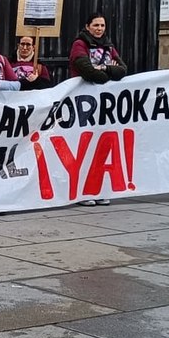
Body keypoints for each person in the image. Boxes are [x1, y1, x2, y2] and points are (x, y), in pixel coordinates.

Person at [67, 16, 126, 206]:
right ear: (87, 26)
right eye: (95, 25)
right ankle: (82, 192)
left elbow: (123, 69)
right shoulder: (79, 44)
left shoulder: (109, 46)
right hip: (84, 102)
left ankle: (98, 188)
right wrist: (108, 70)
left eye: (102, 25)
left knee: (102, 147)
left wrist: (101, 68)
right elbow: (88, 71)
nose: (99, 28)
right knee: (84, 147)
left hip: (104, 105)